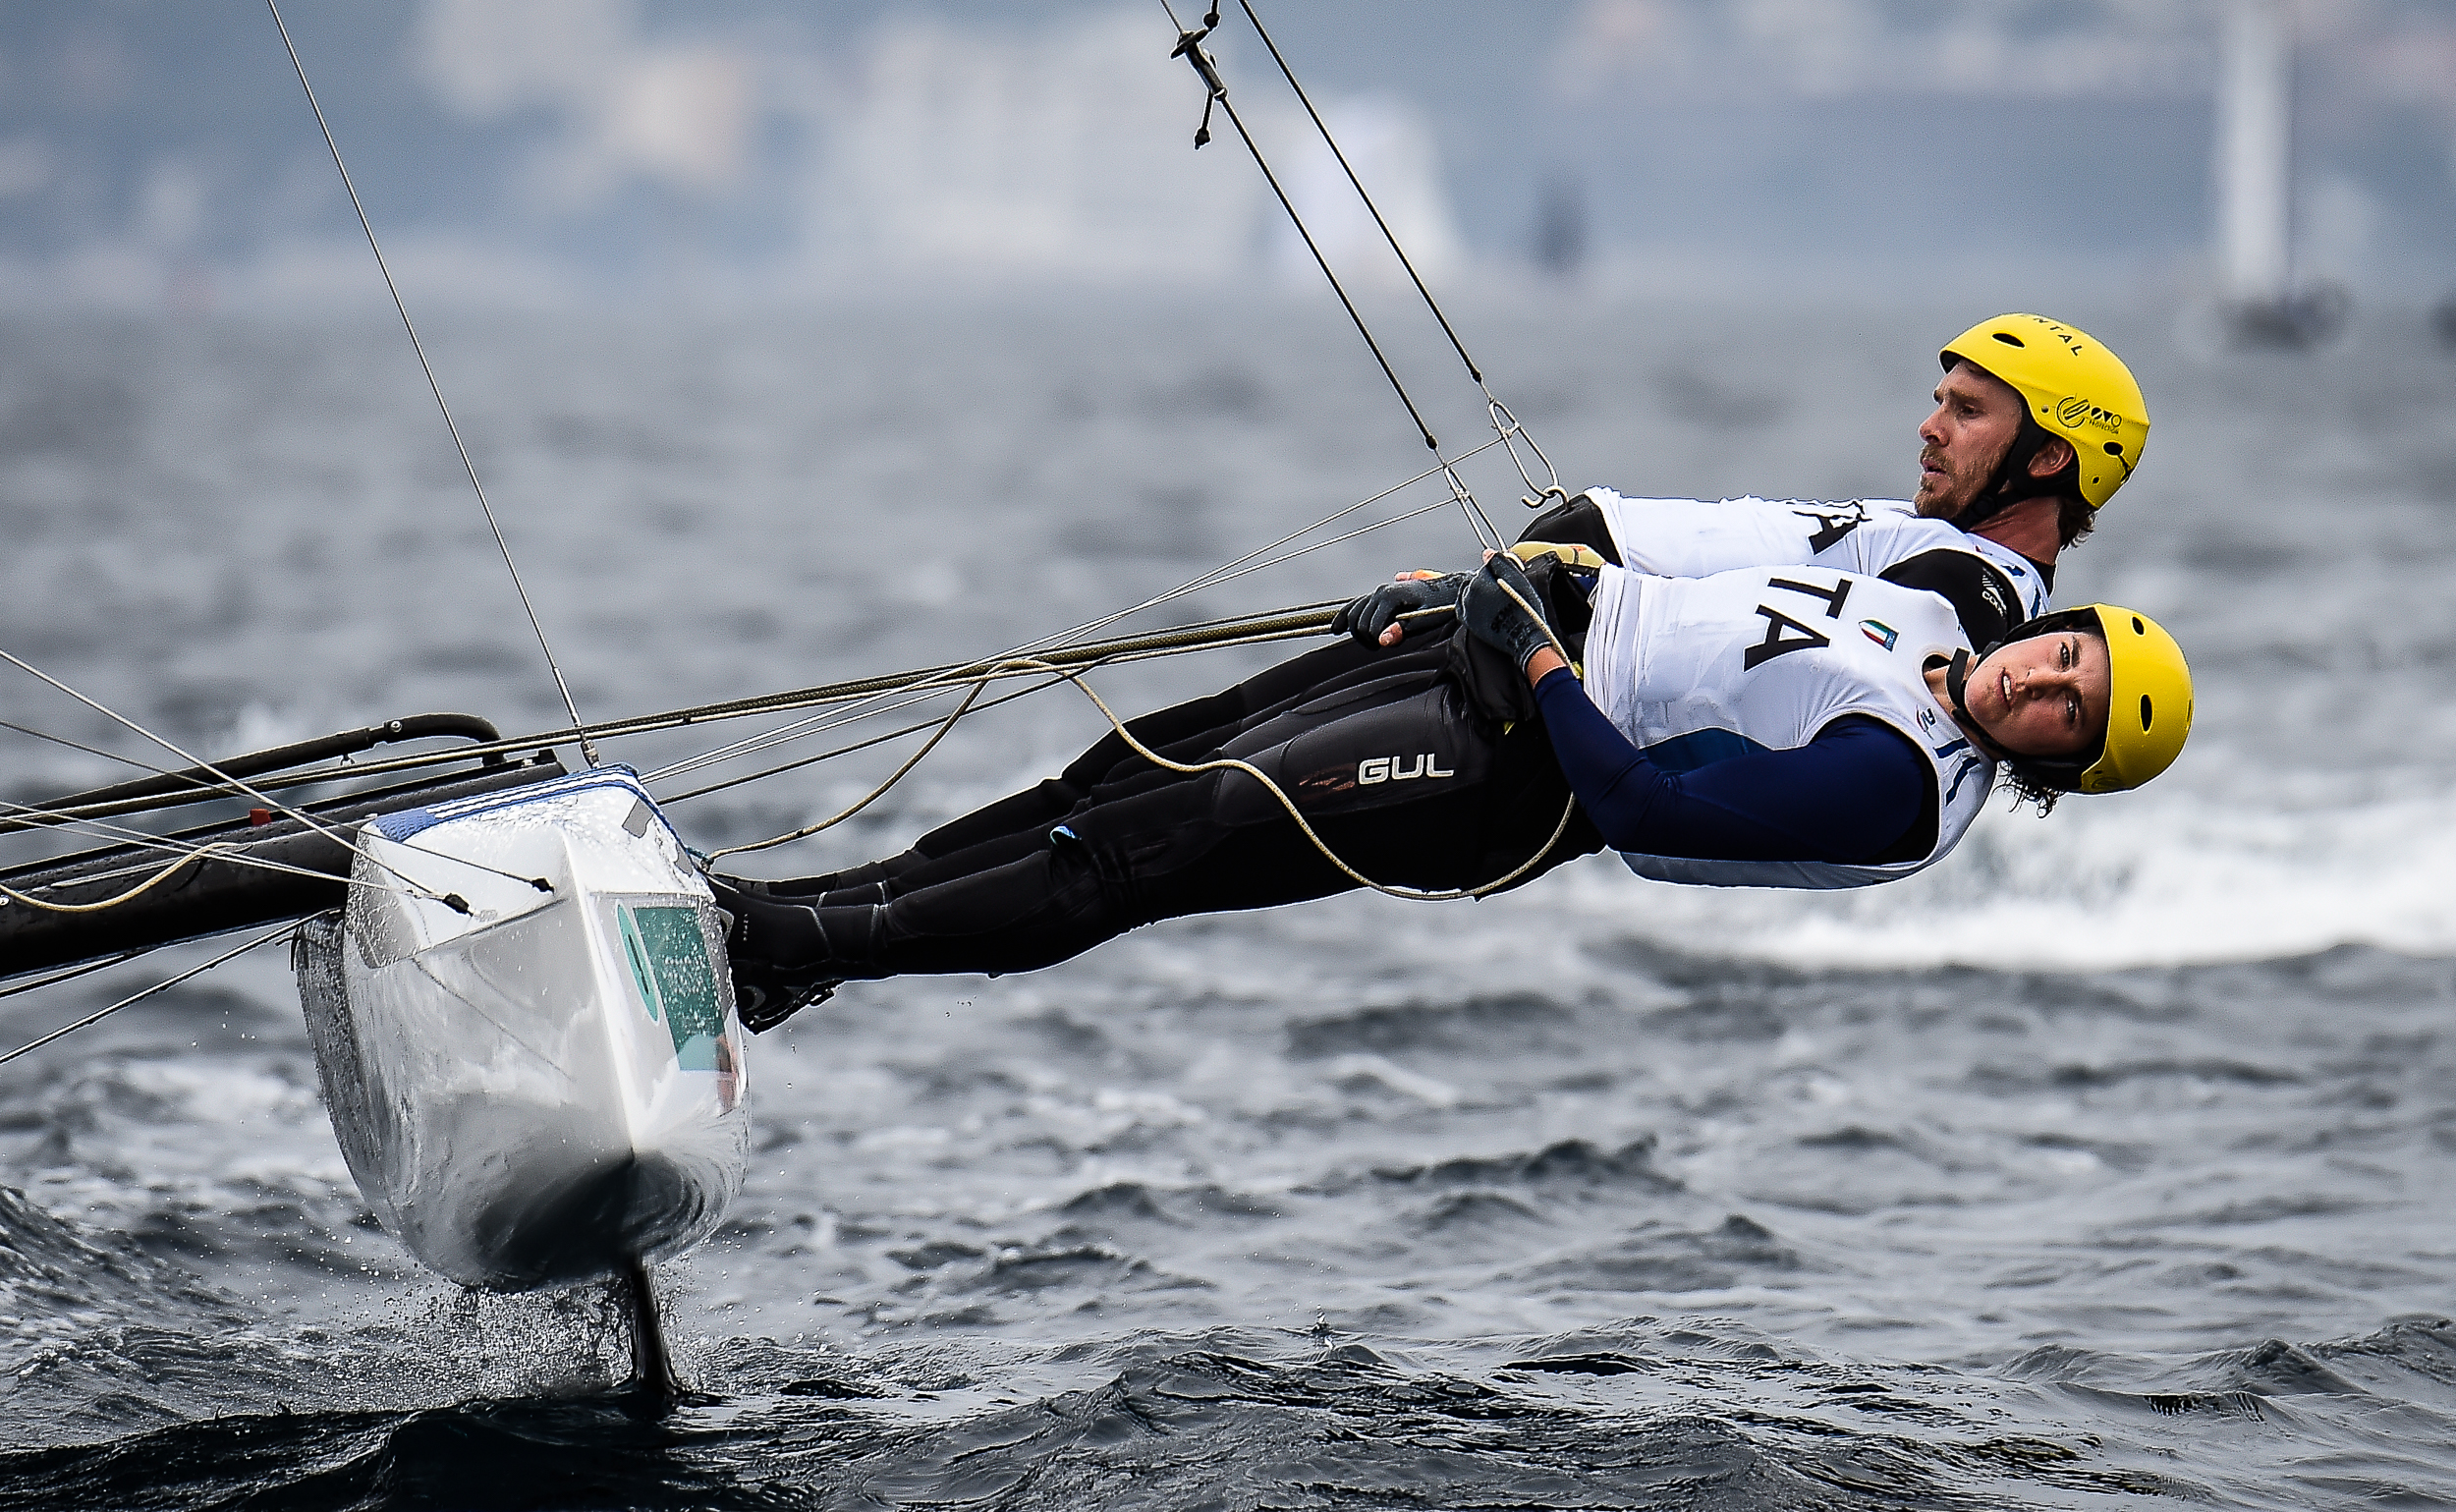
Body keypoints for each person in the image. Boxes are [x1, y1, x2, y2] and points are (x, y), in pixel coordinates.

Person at [712, 539, 2193, 1031]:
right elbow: (1699, 565)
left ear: (2058, 768)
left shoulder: (1902, 784)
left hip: (1508, 776)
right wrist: (1523, 578)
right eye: (2063, 656)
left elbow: (1653, 815)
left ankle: (797, 945)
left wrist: (1538, 658)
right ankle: (805, 922)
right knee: (1125, 767)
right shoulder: (1936, 610)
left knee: (1168, 838)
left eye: (2067, 718)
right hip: (1497, 650)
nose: (2042, 685)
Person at [1469, 311, 2149, 656]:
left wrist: (1559, 618)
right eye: (1940, 402)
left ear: (2048, 457)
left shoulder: (1971, 589)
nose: (1929, 427)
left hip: (1549, 635)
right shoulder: (1950, 536)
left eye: (1967, 412)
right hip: (1533, 599)